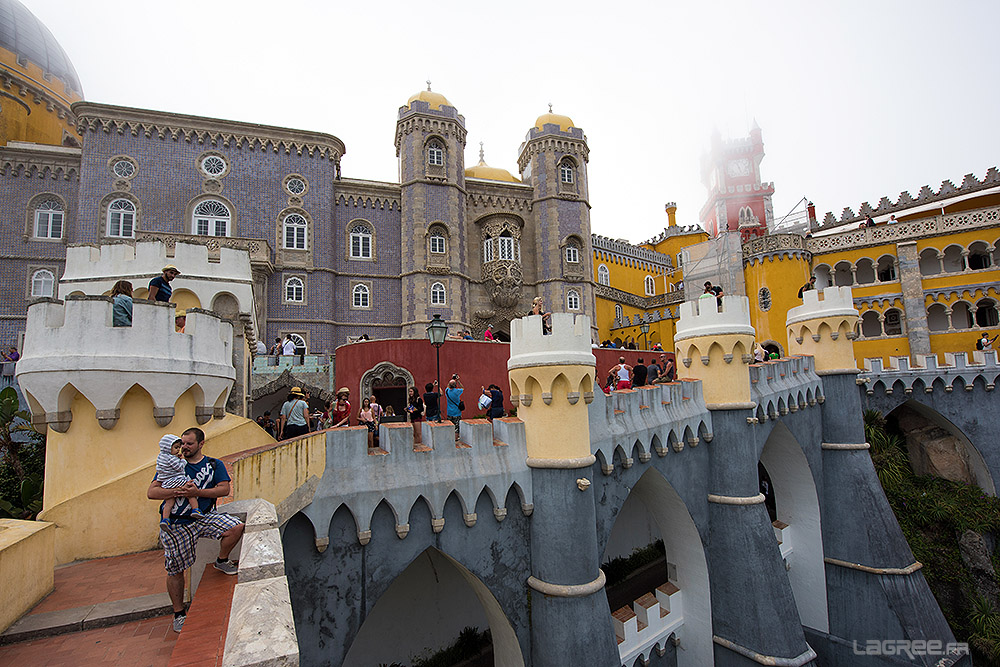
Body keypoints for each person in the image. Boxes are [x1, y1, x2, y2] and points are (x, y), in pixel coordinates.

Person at [147, 427, 244, 633]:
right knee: (175, 569)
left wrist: (197, 492)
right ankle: (179, 613)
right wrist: (176, 491)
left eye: (189, 443)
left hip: (204, 516)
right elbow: (152, 492)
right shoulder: (172, 464)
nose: (184, 447)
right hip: (177, 524)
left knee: (235, 527)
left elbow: (224, 489)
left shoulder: (213, 464)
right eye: (182, 443)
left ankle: (221, 560)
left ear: (201, 444)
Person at [155, 434, 204, 526]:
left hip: (166, 483)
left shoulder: (161, 457)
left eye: (178, 447)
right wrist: (182, 460)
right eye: (176, 448)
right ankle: (196, 509)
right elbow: (179, 467)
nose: (179, 450)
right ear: (168, 448)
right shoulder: (171, 458)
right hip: (176, 480)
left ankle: (165, 520)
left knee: (169, 502)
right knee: (190, 492)